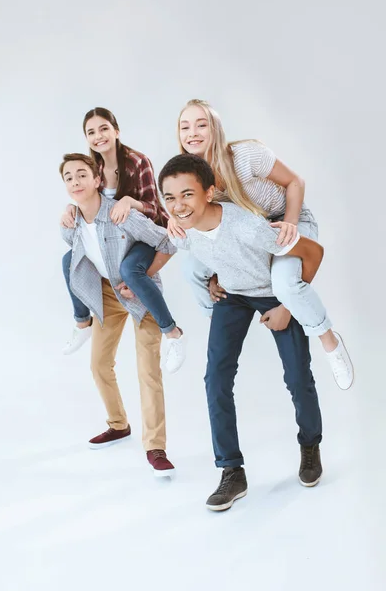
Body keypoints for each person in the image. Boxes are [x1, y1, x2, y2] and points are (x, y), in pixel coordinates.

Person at [159, 153, 325, 510]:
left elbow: (312, 253)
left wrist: (286, 306)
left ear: (209, 193)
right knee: (215, 379)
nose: (178, 206)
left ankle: (310, 446)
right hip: (233, 297)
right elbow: (187, 249)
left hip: (271, 295)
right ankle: (231, 471)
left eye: (187, 195)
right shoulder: (184, 230)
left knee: (297, 376)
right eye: (169, 198)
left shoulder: (248, 225)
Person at [168, 99, 353, 390]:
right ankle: (219, 319)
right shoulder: (191, 177)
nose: (193, 133)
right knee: (192, 268)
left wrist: (290, 225)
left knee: (284, 283)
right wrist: (176, 222)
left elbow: (295, 182)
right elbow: (212, 231)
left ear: (214, 129)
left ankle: (328, 340)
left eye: (201, 124)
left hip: (285, 218)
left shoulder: (245, 156)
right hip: (250, 233)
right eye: (185, 126)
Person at [60, 152, 177, 476]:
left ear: (98, 180)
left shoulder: (119, 214)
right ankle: (118, 424)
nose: (75, 182)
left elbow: (167, 241)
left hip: (140, 296)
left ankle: (155, 447)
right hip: (106, 297)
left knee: (147, 371)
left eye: (81, 174)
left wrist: (141, 278)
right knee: (99, 365)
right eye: (69, 177)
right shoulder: (71, 224)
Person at [60, 107, 184, 373]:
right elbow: (88, 199)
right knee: (69, 259)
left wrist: (129, 201)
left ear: (116, 131)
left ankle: (173, 334)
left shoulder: (137, 162)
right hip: (115, 238)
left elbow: (155, 208)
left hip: (144, 234)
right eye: (91, 132)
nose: (98, 136)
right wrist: (72, 207)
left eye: (104, 128)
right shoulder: (94, 167)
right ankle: (82, 323)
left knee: (129, 269)